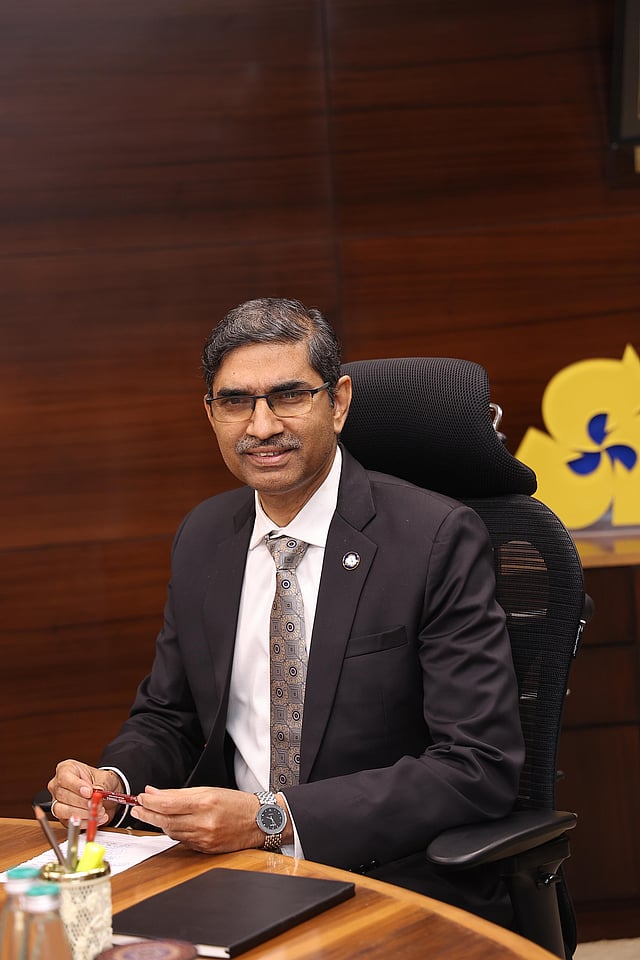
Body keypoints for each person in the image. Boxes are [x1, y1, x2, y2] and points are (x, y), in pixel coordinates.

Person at [47, 297, 524, 923]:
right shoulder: (203, 536)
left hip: (388, 876)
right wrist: (113, 782)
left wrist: (273, 820)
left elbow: (477, 765)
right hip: (227, 873)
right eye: (236, 402)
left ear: (339, 401)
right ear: (211, 414)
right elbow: (170, 717)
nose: (262, 426)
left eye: (289, 395)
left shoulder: (435, 538)